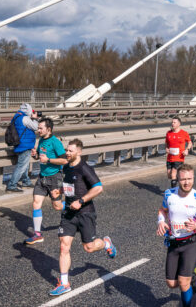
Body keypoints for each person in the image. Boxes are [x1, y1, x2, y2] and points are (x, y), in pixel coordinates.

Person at [49, 139, 116, 296]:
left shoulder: (85, 168)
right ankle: (64, 283)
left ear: (79, 152)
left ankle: (106, 243)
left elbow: (98, 188)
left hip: (85, 212)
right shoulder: (66, 167)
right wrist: (59, 191)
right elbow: (70, 186)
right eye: (67, 150)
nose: (68, 152)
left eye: (71, 151)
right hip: (69, 213)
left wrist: (80, 201)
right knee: (64, 245)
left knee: (89, 247)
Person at [157, 164, 196, 307]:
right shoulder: (169, 194)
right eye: (183, 179)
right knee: (171, 283)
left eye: (189, 179)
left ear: (193, 178)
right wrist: (161, 221)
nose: (186, 182)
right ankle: (194, 277)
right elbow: (162, 211)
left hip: (190, 243)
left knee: (182, 282)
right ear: (177, 179)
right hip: (173, 243)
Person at [25, 117, 68, 245]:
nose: (38, 130)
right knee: (36, 203)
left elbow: (65, 160)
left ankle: (74, 205)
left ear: (48, 129)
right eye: (38, 128)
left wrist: (48, 160)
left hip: (55, 177)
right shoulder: (42, 140)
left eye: (40, 128)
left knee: (57, 206)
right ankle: (37, 234)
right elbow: (40, 155)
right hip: (42, 176)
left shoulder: (55, 142)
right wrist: (36, 155)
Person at [7, 103, 39, 192]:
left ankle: (26, 181)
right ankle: (12, 185)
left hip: (19, 144)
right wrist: (35, 118)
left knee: (25, 165)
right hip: (25, 145)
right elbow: (36, 127)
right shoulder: (25, 118)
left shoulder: (17, 116)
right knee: (21, 166)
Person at [166, 117, 193, 189]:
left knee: (173, 175)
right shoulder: (168, 133)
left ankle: (173, 192)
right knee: (169, 175)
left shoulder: (184, 133)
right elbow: (167, 143)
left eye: (174, 122)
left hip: (179, 158)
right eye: (172, 122)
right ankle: (181, 179)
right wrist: (166, 148)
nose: (172, 124)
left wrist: (187, 149)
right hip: (170, 157)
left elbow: (190, 143)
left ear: (179, 124)